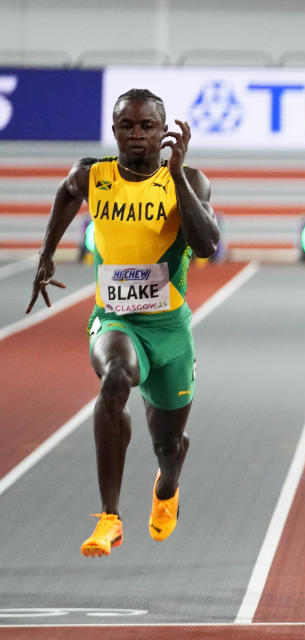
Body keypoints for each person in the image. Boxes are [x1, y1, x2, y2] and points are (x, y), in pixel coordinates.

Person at [25, 89, 220, 557]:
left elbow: (209, 244)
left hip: (169, 329)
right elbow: (67, 193)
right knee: (115, 381)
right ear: (113, 131)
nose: (136, 135)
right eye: (126, 126)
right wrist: (47, 253)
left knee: (168, 446)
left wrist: (176, 178)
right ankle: (109, 518)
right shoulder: (93, 175)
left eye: (147, 126)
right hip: (114, 318)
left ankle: (167, 485)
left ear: (164, 130)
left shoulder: (189, 179)